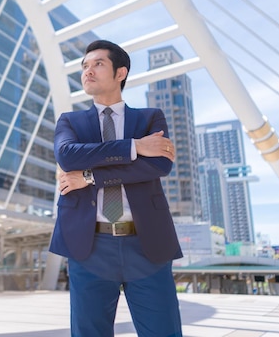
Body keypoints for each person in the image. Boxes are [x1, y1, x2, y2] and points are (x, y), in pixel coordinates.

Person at [49, 40, 183, 336]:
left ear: (120, 72)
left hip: (146, 245)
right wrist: (135, 146)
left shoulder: (150, 118)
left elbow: (159, 165)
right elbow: (67, 155)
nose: (88, 71)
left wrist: (89, 177)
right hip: (89, 247)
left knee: (163, 331)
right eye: (84, 66)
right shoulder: (69, 121)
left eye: (97, 64)